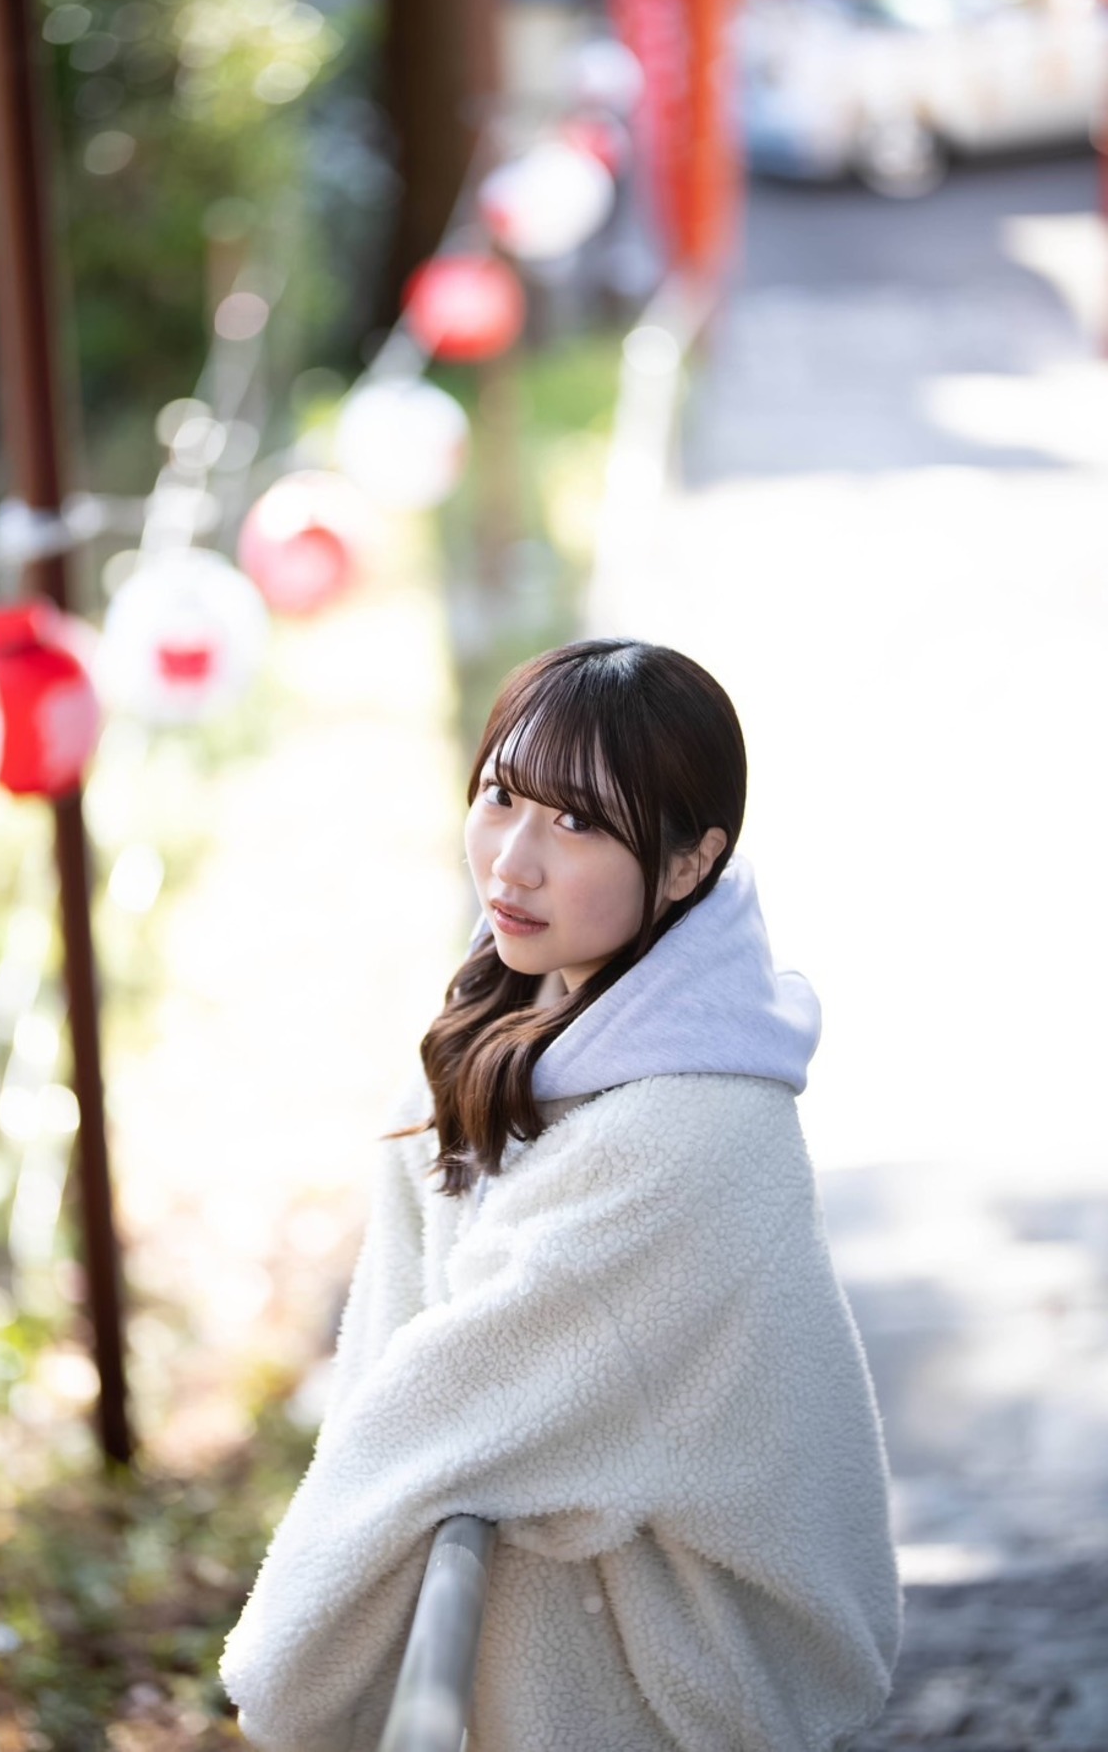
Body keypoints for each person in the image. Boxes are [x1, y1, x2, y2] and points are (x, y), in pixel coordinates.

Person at [220, 637, 903, 1752]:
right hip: (545, 1658)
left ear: (687, 864)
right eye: (500, 796)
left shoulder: (691, 1131)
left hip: (669, 1685)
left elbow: (443, 1397)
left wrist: (286, 1676)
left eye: (577, 821)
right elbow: (385, 1352)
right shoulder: (498, 1029)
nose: (513, 861)